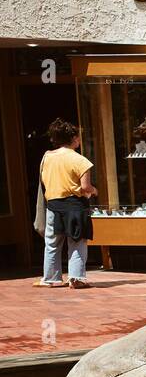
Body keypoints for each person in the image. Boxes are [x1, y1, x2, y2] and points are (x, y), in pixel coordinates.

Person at [34, 119, 95, 288]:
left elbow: (44, 181)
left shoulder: (47, 157)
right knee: (77, 241)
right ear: (74, 138)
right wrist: (95, 191)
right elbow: (85, 187)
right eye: (78, 137)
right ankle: (75, 278)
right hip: (75, 205)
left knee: (52, 243)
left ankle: (50, 278)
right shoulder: (81, 160)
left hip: (53, 205)